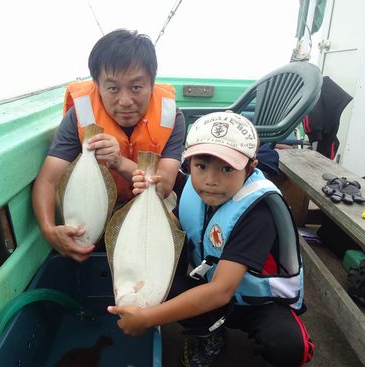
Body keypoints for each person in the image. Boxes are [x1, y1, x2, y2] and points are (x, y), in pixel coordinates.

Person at [108, 112, 314, 367]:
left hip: (257, 304)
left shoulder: (257, 214)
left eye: (227, 168)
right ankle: (208, 332)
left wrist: (147, 318)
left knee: (287, 345)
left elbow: (221, 291)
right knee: (157, 280)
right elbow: (172, 229)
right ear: (190, 163)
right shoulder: (193, 192)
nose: (211, 181)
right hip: (208, 285)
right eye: (201, 166)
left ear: (251, 167)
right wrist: (148, 195)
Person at [32, 29, 185, 262]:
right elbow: (48, 179)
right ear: (97, 85)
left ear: (152, 82)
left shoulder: (171, 117)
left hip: (148, 202)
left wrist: (119, 162)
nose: (125, 101)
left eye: (136, 87)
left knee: (172, 223)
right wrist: (48, 229)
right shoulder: (80, 116)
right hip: (94, 204)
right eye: (113, 88)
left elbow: (163, 186)